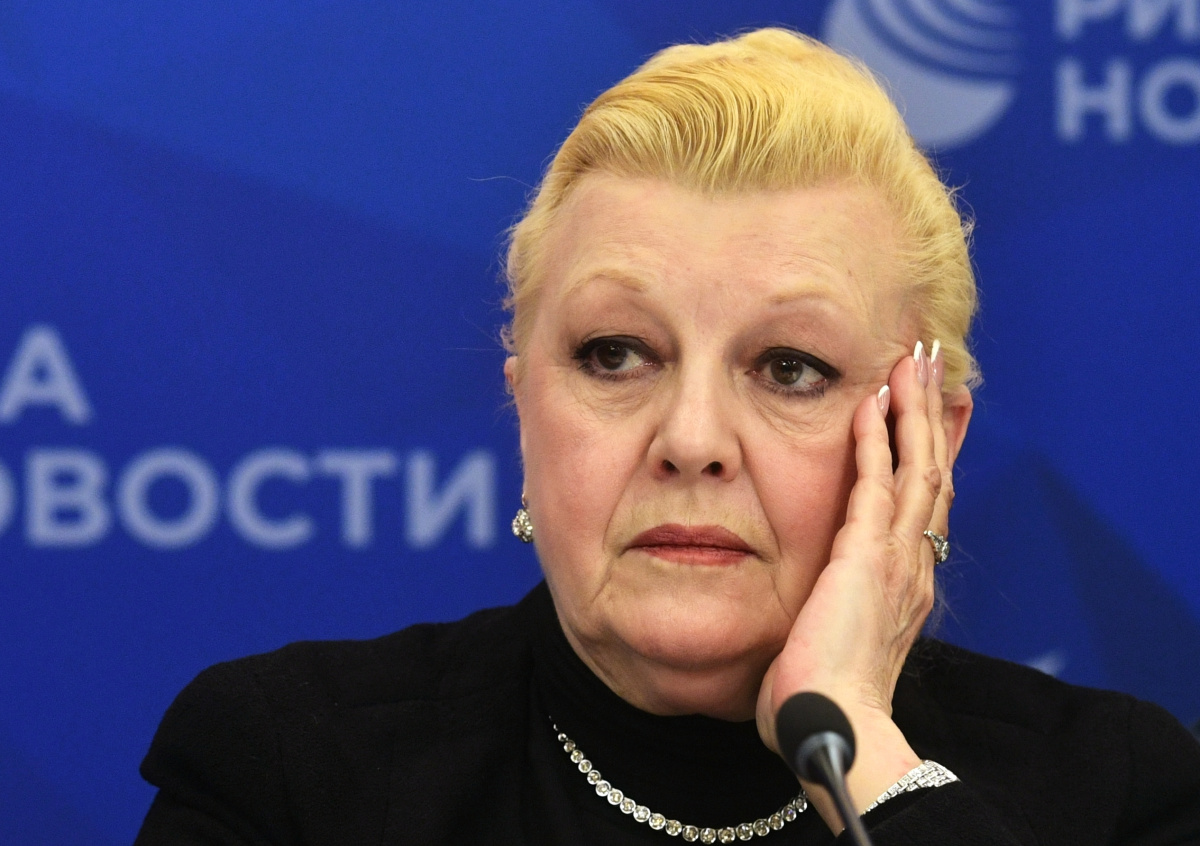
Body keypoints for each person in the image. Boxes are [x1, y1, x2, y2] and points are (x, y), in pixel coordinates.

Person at [134, 28, 1200, 845]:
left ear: (924, 441)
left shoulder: (1116, 794)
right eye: (616, 354)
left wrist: (860, 750)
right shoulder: (286, 776)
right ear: (524, 405)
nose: (691, 440)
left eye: (790, 368)